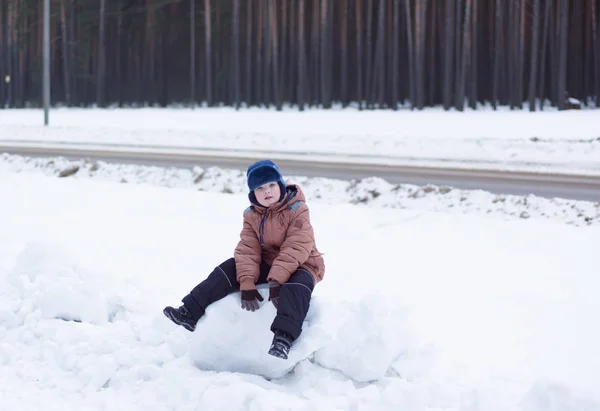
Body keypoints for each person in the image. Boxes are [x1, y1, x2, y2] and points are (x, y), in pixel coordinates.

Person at [163, 160, 325, 360]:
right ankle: (190, 312)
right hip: (268, 262)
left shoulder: (297, 209)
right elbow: (248, 248)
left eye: (272, 185)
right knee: (229, 268)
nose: (267, 191)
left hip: (302, 263)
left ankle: (283, 338)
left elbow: (297, 245)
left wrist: (276, 280)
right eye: (260, 187)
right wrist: (247, 281)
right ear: (252, 194)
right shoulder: (251, 215)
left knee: (297, 285)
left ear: (281, 185)